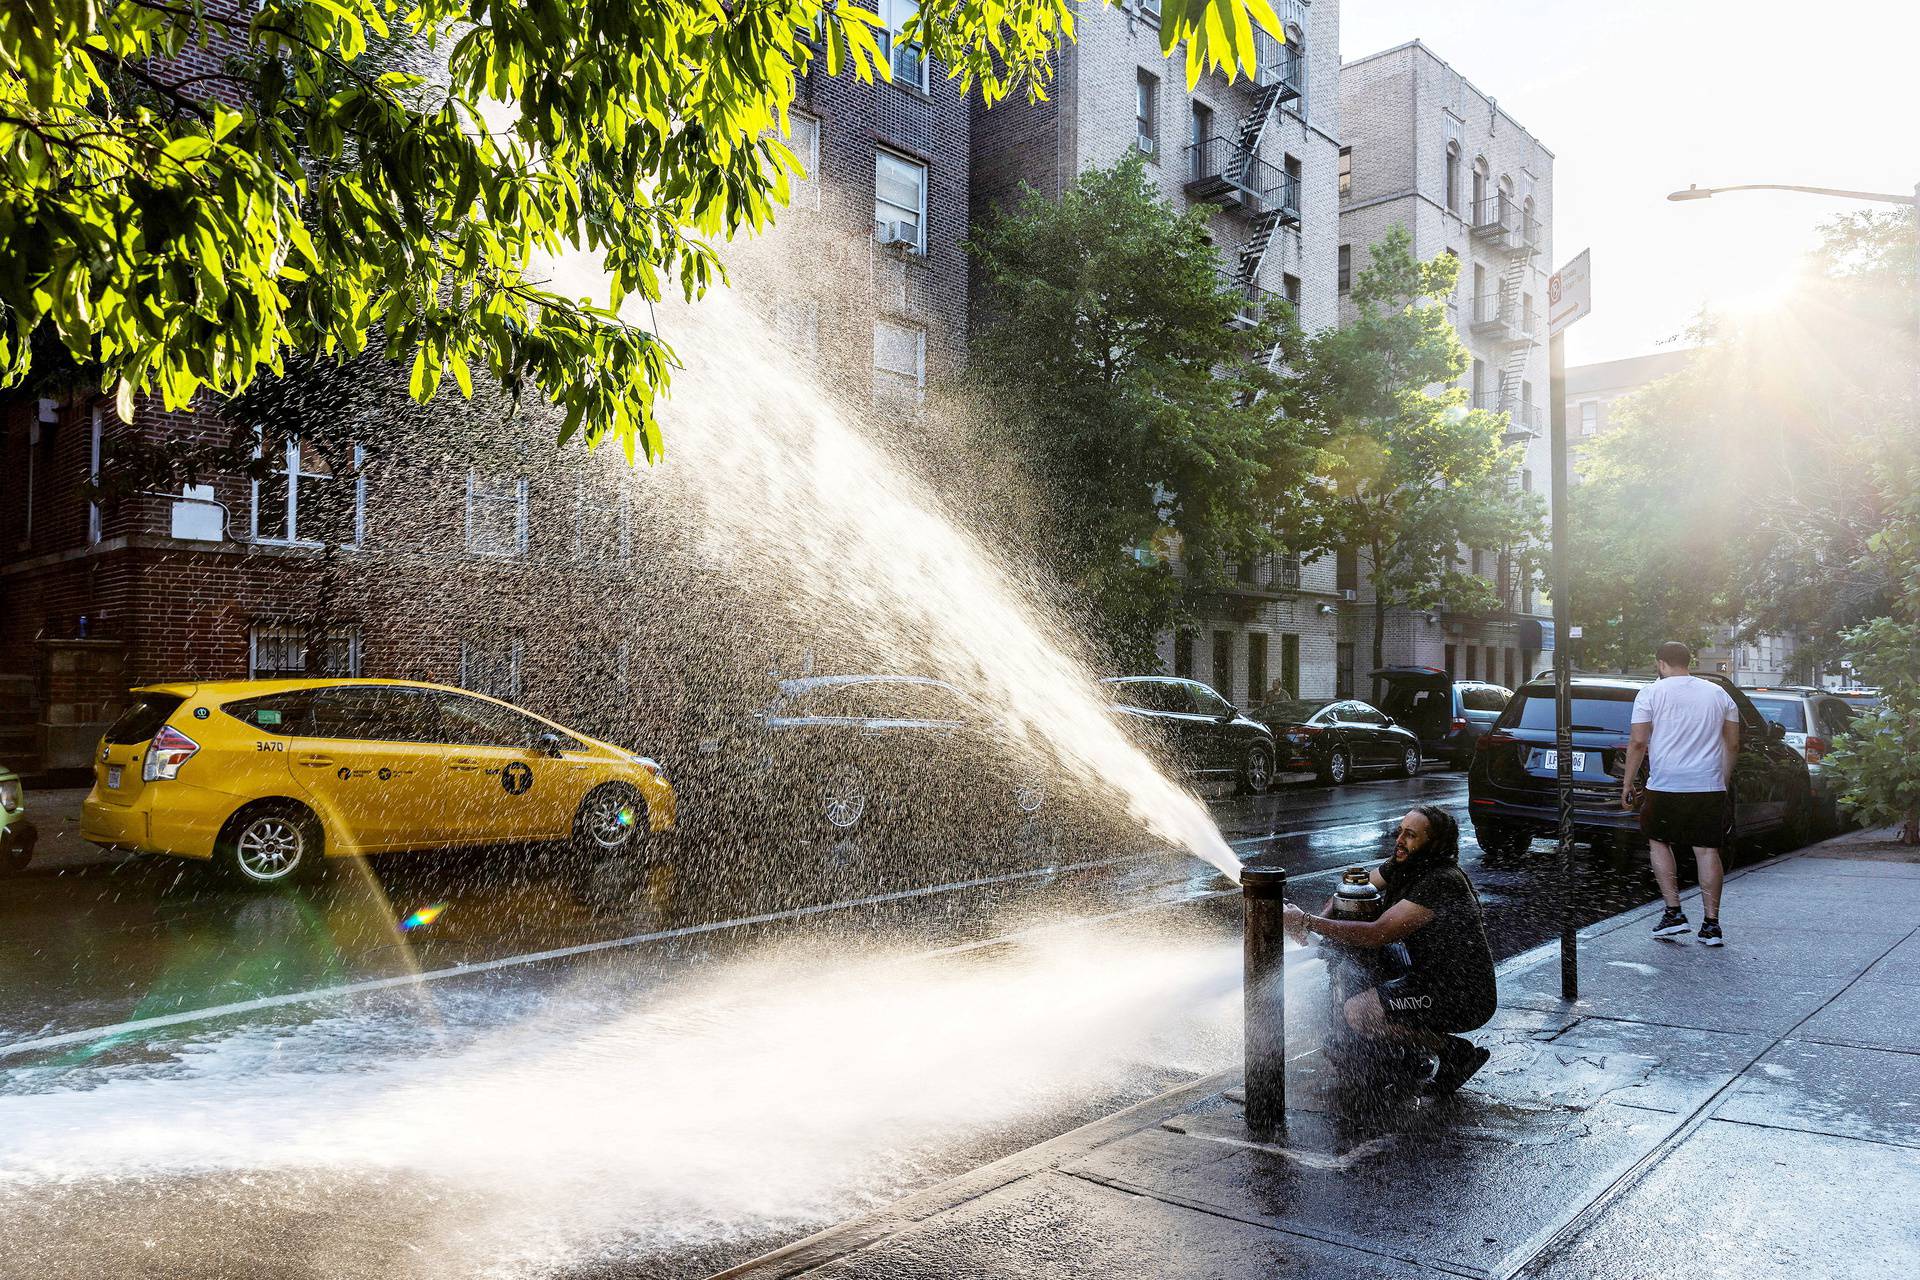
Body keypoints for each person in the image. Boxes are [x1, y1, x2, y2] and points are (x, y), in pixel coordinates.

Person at [1283, 805, 1496, 1095]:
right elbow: (1355, 887)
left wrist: (1307, 921)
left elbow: (1376, 933)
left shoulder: (1440, 880)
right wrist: (1324, 917)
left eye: (1410, 835)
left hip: (1460, 993)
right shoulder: (1405, 863)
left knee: (1360, 1012)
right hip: (1427, 977)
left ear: (1433, 844)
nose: (1399, 840)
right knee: (1367, 973)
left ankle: (1453, 1051)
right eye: (1400, 832)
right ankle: (1408, 1057)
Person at [1621, 640, 1740, 947]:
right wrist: (1721, 779)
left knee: (1659, 842)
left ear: (1661, 663)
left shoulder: (1650, 693)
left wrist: (1628, 783)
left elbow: (1637, 742)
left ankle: (1673, 913)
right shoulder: (1718, 693)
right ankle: (1711, 924)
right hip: (1708, 786)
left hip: (1665, 784)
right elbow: (1733, 744)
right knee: (1706, 850)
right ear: (1689, 662)